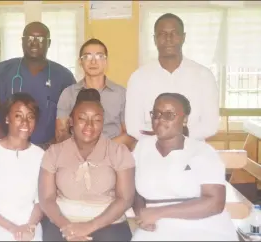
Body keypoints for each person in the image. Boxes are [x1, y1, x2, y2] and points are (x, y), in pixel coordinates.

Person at [131, 92, 238, 241]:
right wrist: (140, 215)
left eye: (169, 115)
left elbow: (215, 203)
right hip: (155, 227)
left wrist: (159, 212)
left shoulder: (202, 151)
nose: (159, 120)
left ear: (185, 119)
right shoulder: (142, 147)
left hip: (203, 227)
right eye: (156, 114)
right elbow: (135, 191)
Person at [39, 88, 135, 241]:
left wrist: (89, 226)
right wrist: (68, 229)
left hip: (109, 225)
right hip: (62, 224)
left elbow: (125, 198)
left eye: (96, 120)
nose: (89, 125)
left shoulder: (119, 152)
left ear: (103, 123)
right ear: (71, 121)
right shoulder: (54, 153)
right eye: (82, 118)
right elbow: (46, 198)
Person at [0, 21, 76, 150]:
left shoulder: (64, 76)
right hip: (9, 148)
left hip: (50, 150)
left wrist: (54, 148)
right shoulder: (3, 70)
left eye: (40, 38)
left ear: (49, 43)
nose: (34, 42)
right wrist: (6, 144)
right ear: (22, 41)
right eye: (29, 38)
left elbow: (74, 119)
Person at [125, 13, 219, 142]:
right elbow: (133, 127)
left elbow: (211, 125)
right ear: (154, 39)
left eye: (174, 33)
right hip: (151, 152)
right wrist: (162, 139)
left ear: (183, 37)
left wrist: (176, 137)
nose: (168, 39)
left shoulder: (204, 76)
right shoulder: (138, 77)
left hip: (193, 151)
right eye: (162, 34)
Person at [0, 92, 44, 241]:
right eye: (18, 116)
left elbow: (42, 200)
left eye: (30, 117)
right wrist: (12, 228)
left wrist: (29, 227)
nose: (25, 122)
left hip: (29, 229)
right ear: (7, 118)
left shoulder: (41, 155)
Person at [56, 38, 135, 150]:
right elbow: (61, 133)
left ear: (106, 61)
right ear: (80, 62)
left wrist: (100, 151)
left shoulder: (121, 93)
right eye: (87, 57)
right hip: (77, 156)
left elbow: (129, 135)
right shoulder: (68, 93)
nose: (93, 61)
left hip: (112, 154)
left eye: (99, 56)